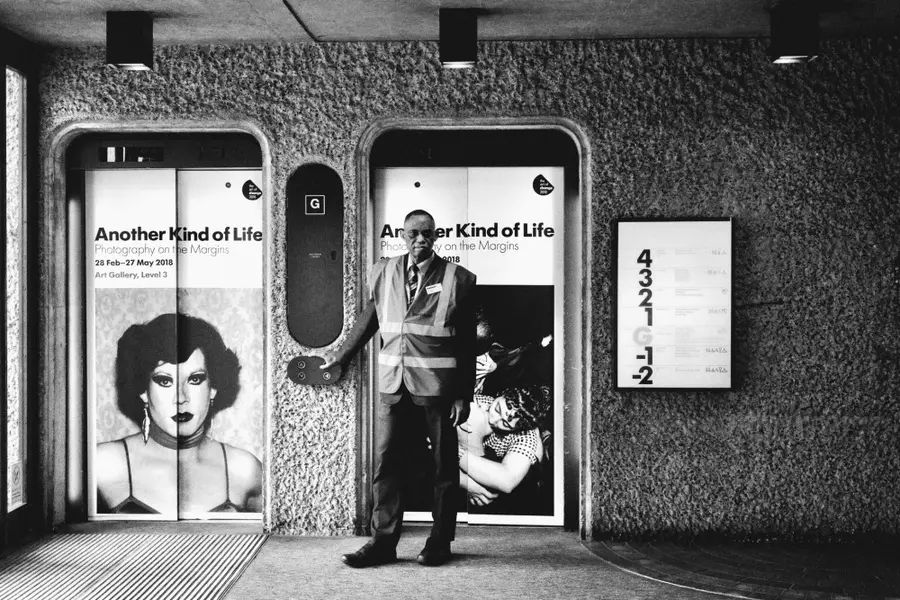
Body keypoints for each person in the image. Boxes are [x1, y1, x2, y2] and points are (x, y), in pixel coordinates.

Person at [321, 209, 476, 568]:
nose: (420, 240)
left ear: (436, 236)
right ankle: (383, 541)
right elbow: (369, 320)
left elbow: (467, 342)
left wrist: (462, 394)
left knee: (442, 466)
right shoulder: (384, 271)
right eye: (413, 234)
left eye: (427, 234)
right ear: (402, 236)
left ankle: (440, 541)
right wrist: (341, 357)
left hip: (437, 386)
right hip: (393, 384)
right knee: (387, 461)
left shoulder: (458, 279)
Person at [95, 313, 262, 515]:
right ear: (143, 391)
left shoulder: (244, 469)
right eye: (165, 381)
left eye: (195, 379)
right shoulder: (104, 464)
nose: (180, 397)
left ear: (213, 388)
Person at [458, 385, 551, 508]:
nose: (494, 420)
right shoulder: (482, 403)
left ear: (516, 429)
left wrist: (452, 451)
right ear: (502, 394)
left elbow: (506, 482)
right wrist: (464, 481)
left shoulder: (526, 437)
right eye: (497, 409)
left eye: (505, 424)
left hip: (526, 482)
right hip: (486, 458)